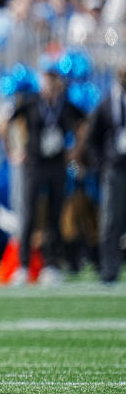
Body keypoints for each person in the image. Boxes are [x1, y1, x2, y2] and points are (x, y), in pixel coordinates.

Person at [7, 61, 84, 285]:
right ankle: (23, 265)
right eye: (46, 79)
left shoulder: (65, 105)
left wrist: (75, 151)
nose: (49, 84)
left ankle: (51, 264)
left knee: (55, 213)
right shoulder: (31, 102)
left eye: (53, 79)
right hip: (34, 163)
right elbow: (7, 122)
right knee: (28, 213)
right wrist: (14, 149)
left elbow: (84, 125)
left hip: (57, 164)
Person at [73, 59, 126, 283]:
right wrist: (101, 162)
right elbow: (92, 140)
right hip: (114, 168)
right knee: (111, 220)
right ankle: (109, 268)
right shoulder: (106, 104)